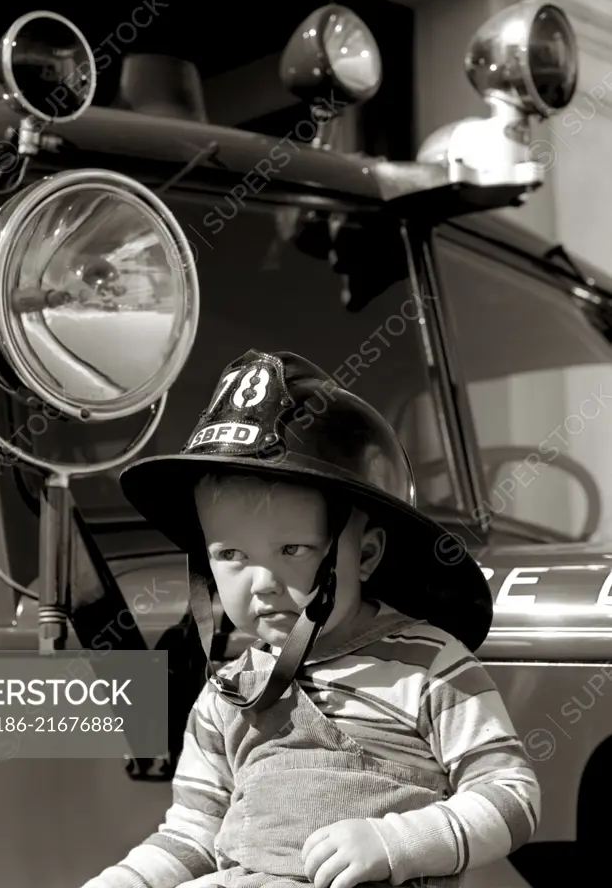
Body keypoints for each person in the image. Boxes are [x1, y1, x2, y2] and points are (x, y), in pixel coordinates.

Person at [82, 349, 539, 888]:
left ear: (365, 556)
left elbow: (512, 797)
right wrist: (125, 881)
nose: (262, 582)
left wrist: (396, 843)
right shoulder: (225, 697)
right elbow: (192, 836)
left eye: (293, 550)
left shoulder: (429, 667)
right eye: (231, 556)